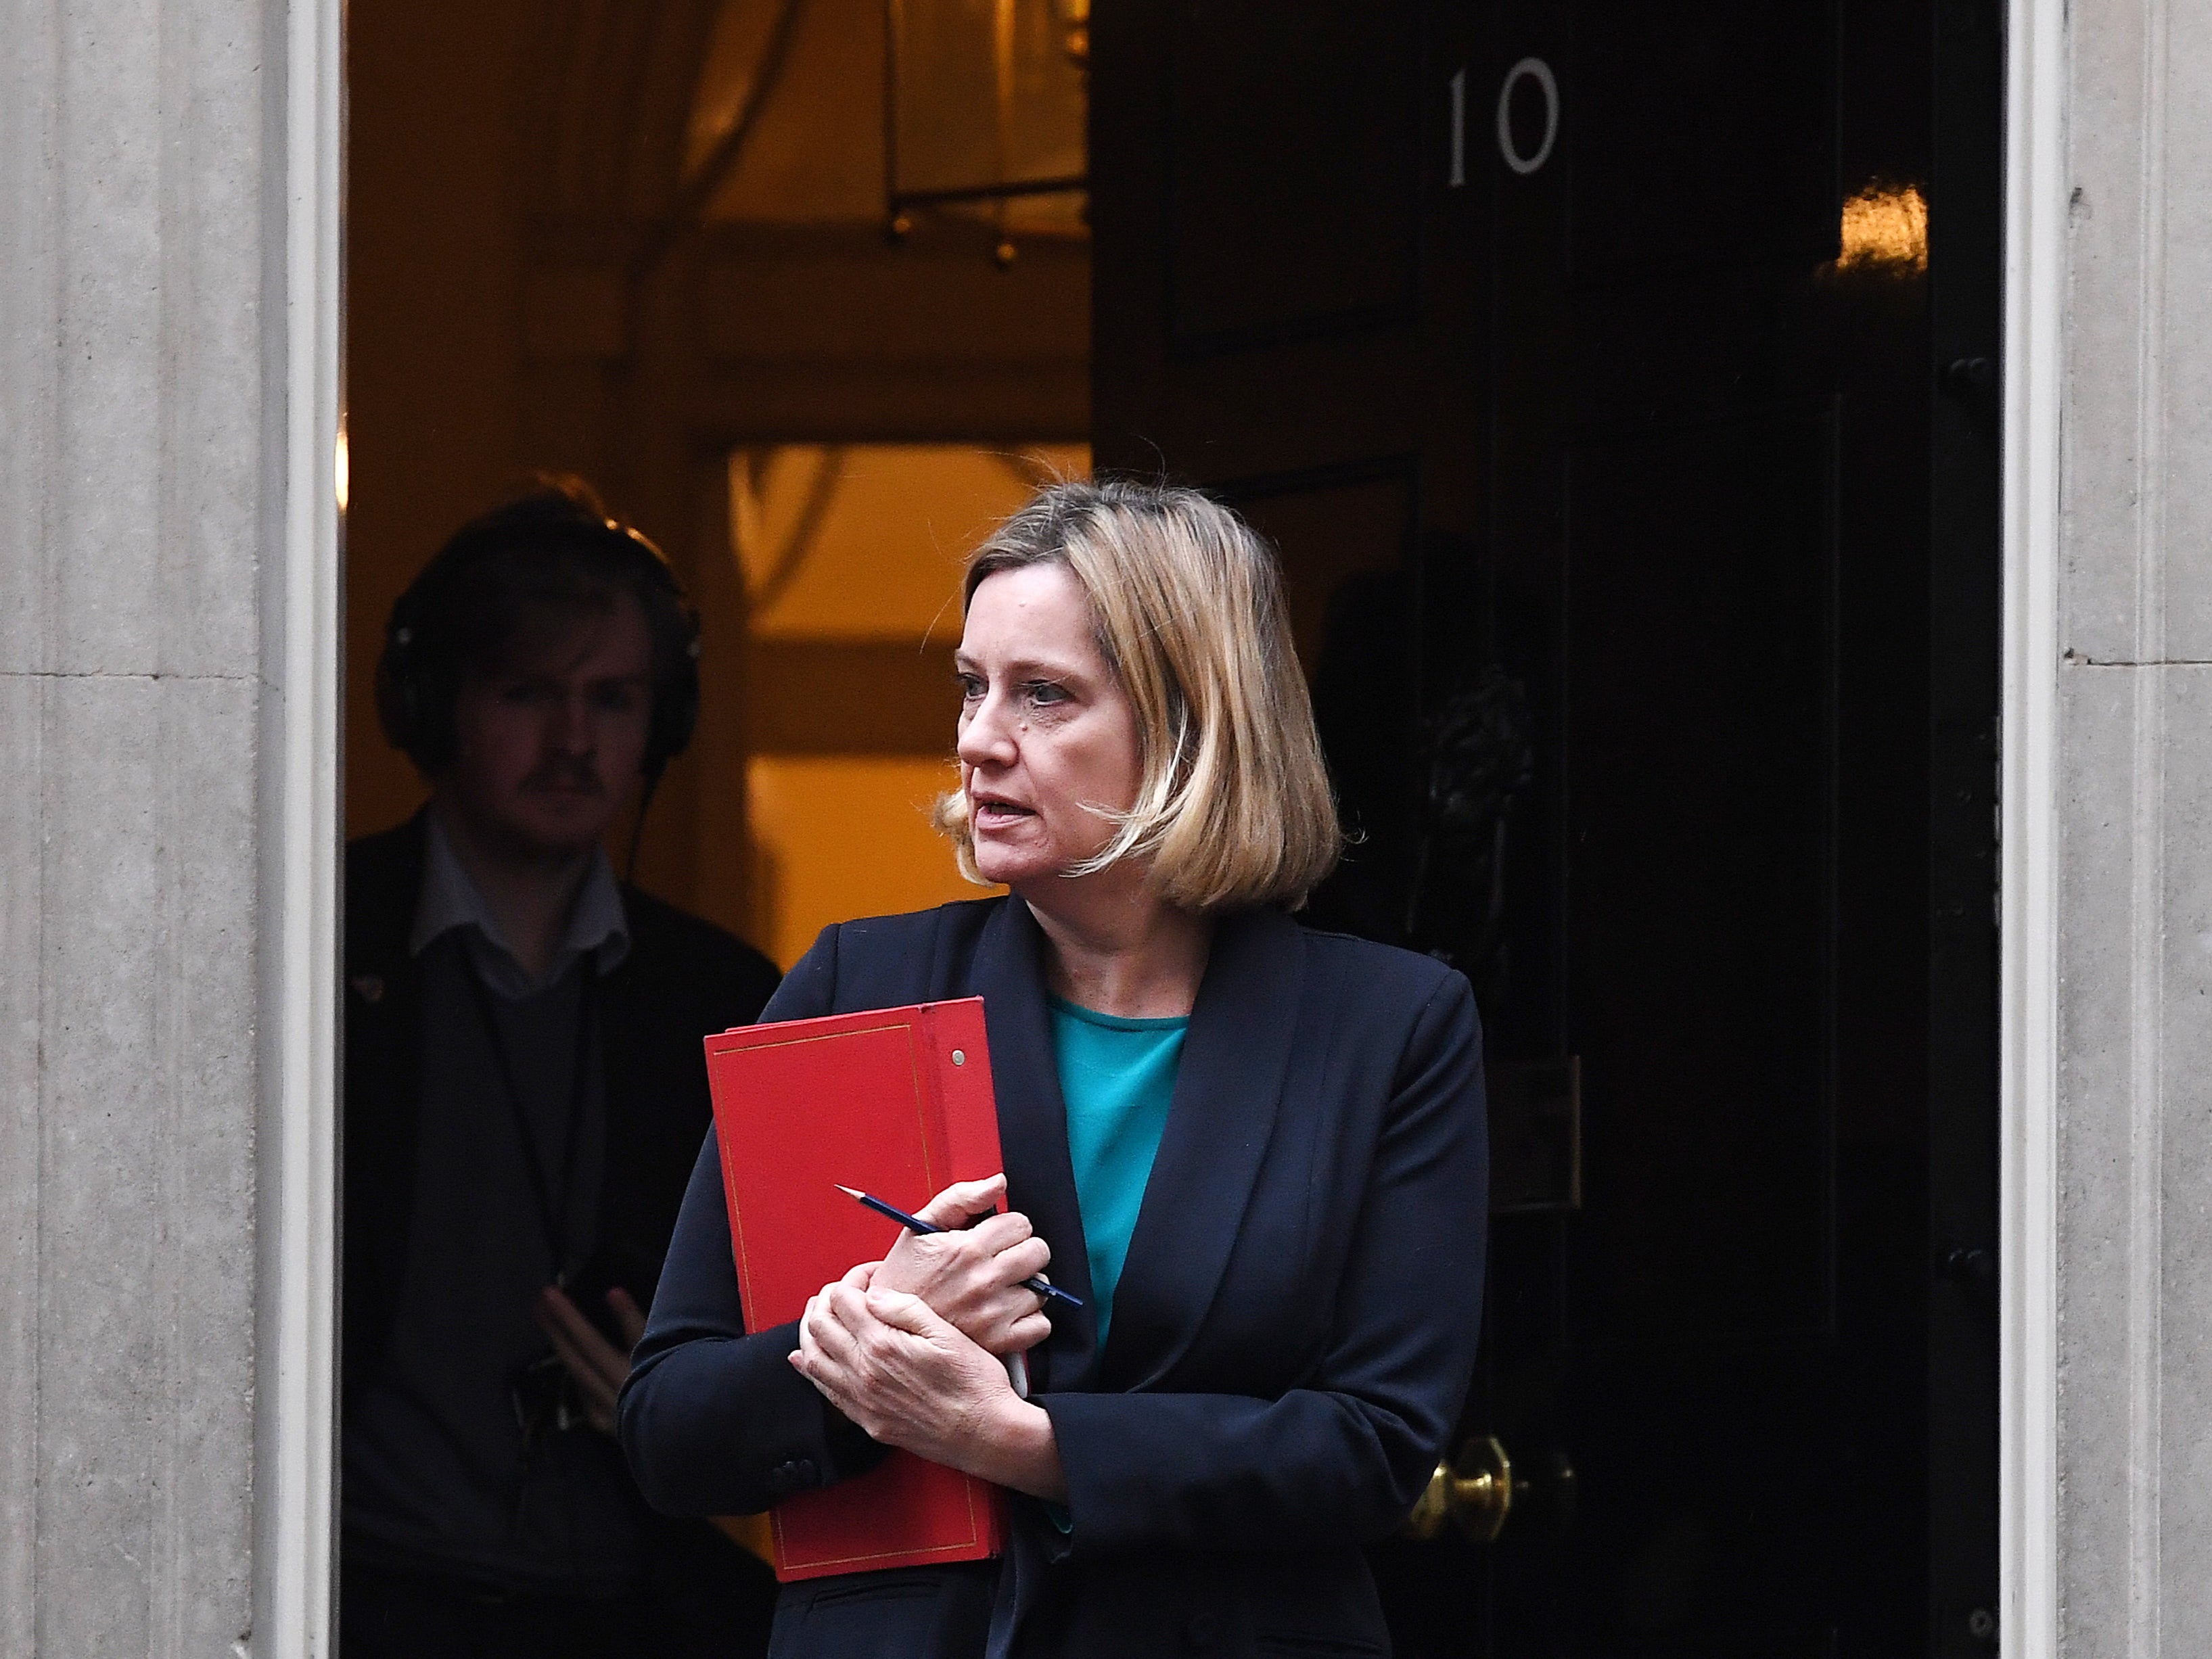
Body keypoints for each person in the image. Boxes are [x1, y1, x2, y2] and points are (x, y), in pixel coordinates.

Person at [620, 479, 1490, 1658]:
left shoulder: (1388, 1027)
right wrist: (884, 1328)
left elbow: (1374, 1443)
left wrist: (1027, 1446)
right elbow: (670, 1424)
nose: (979, 738)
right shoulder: (855, 986)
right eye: (972, 687)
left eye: (1043, 695)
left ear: (1191, 727)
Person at [342, 480, 784, 1658]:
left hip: (627, 1606)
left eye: (614, 698)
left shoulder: (726, 998)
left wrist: (701, 1401)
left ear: (664, 720)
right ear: (432, 705)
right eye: (527, 692)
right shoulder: (311, 944)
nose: (575, 739)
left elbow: (811, 1350)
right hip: (355, 1596)